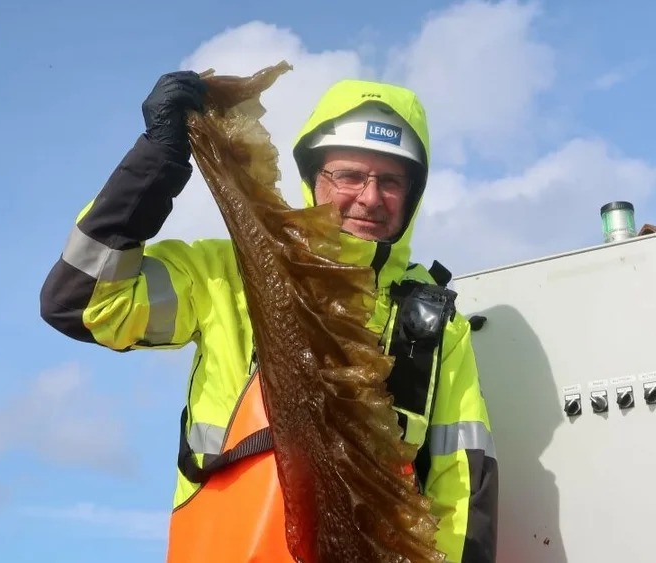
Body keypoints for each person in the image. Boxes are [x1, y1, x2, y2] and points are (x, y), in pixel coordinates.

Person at [39, 70, 499, 562]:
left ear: (413, 193)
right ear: (313, 178)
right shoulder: (225, 276)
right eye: (348, 175)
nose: (369, 197)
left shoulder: (434, 326)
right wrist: (156, 164)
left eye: (390, 181)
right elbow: (83, 301)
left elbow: (461, 493)